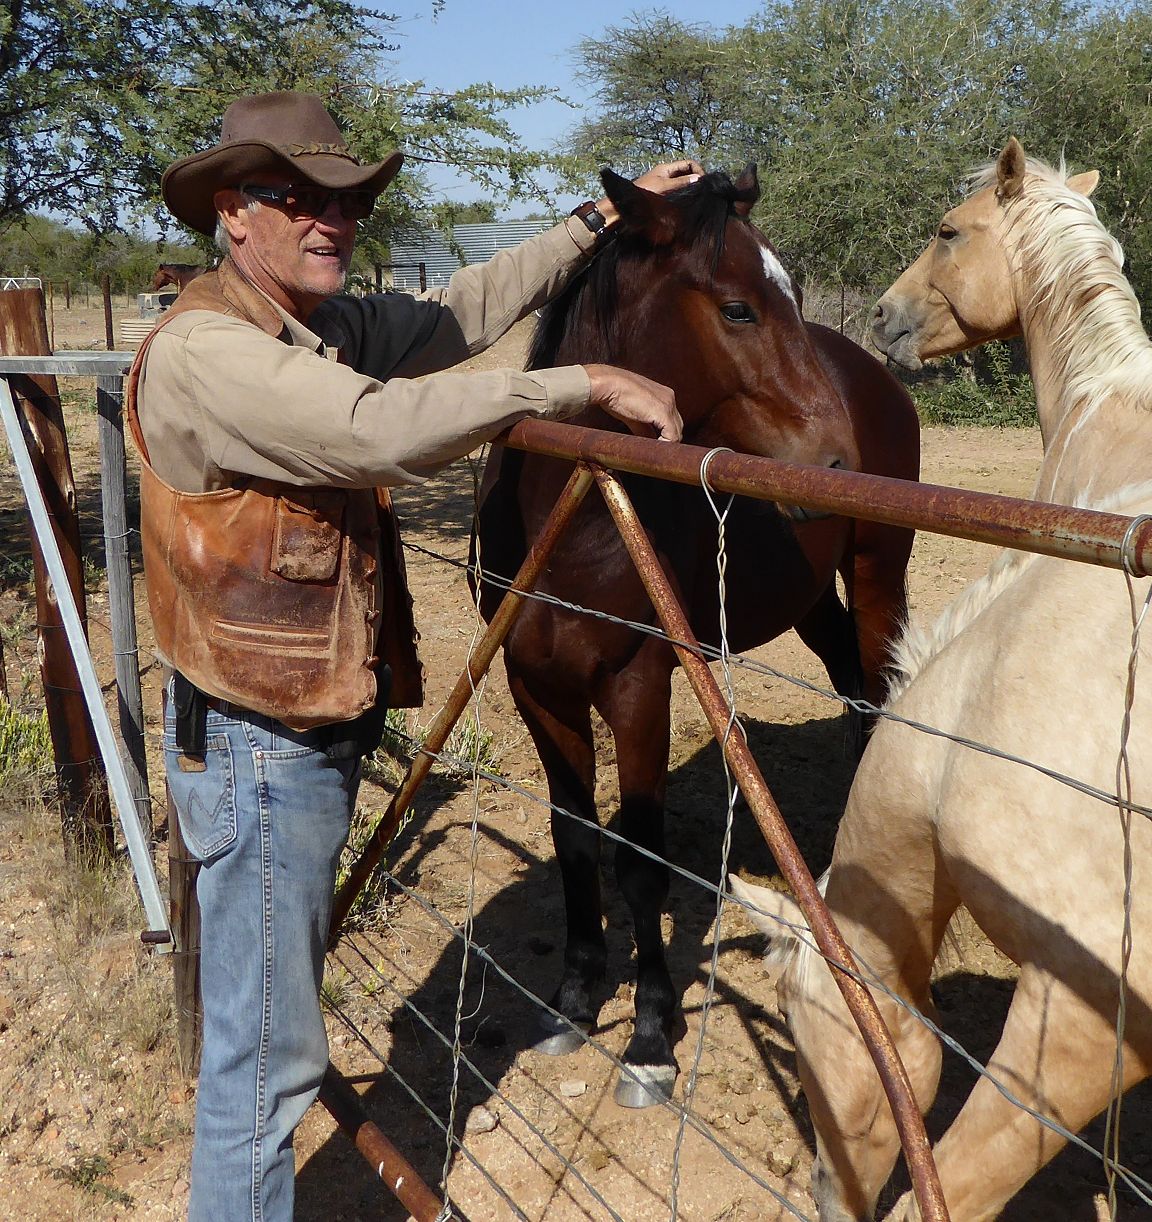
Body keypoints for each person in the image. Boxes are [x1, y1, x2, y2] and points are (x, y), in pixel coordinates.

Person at [130, 90, 696, 1221]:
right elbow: (376, 428)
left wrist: (597, 219)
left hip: (293, 735)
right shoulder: (208, 352)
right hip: (258, 747)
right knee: (264, 1067)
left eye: (344, 197)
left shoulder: (308, 324)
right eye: (297, 197)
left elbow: (458, 310)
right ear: (234, 214)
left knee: (265, 1037)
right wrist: (581, 384)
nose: (330, 217)